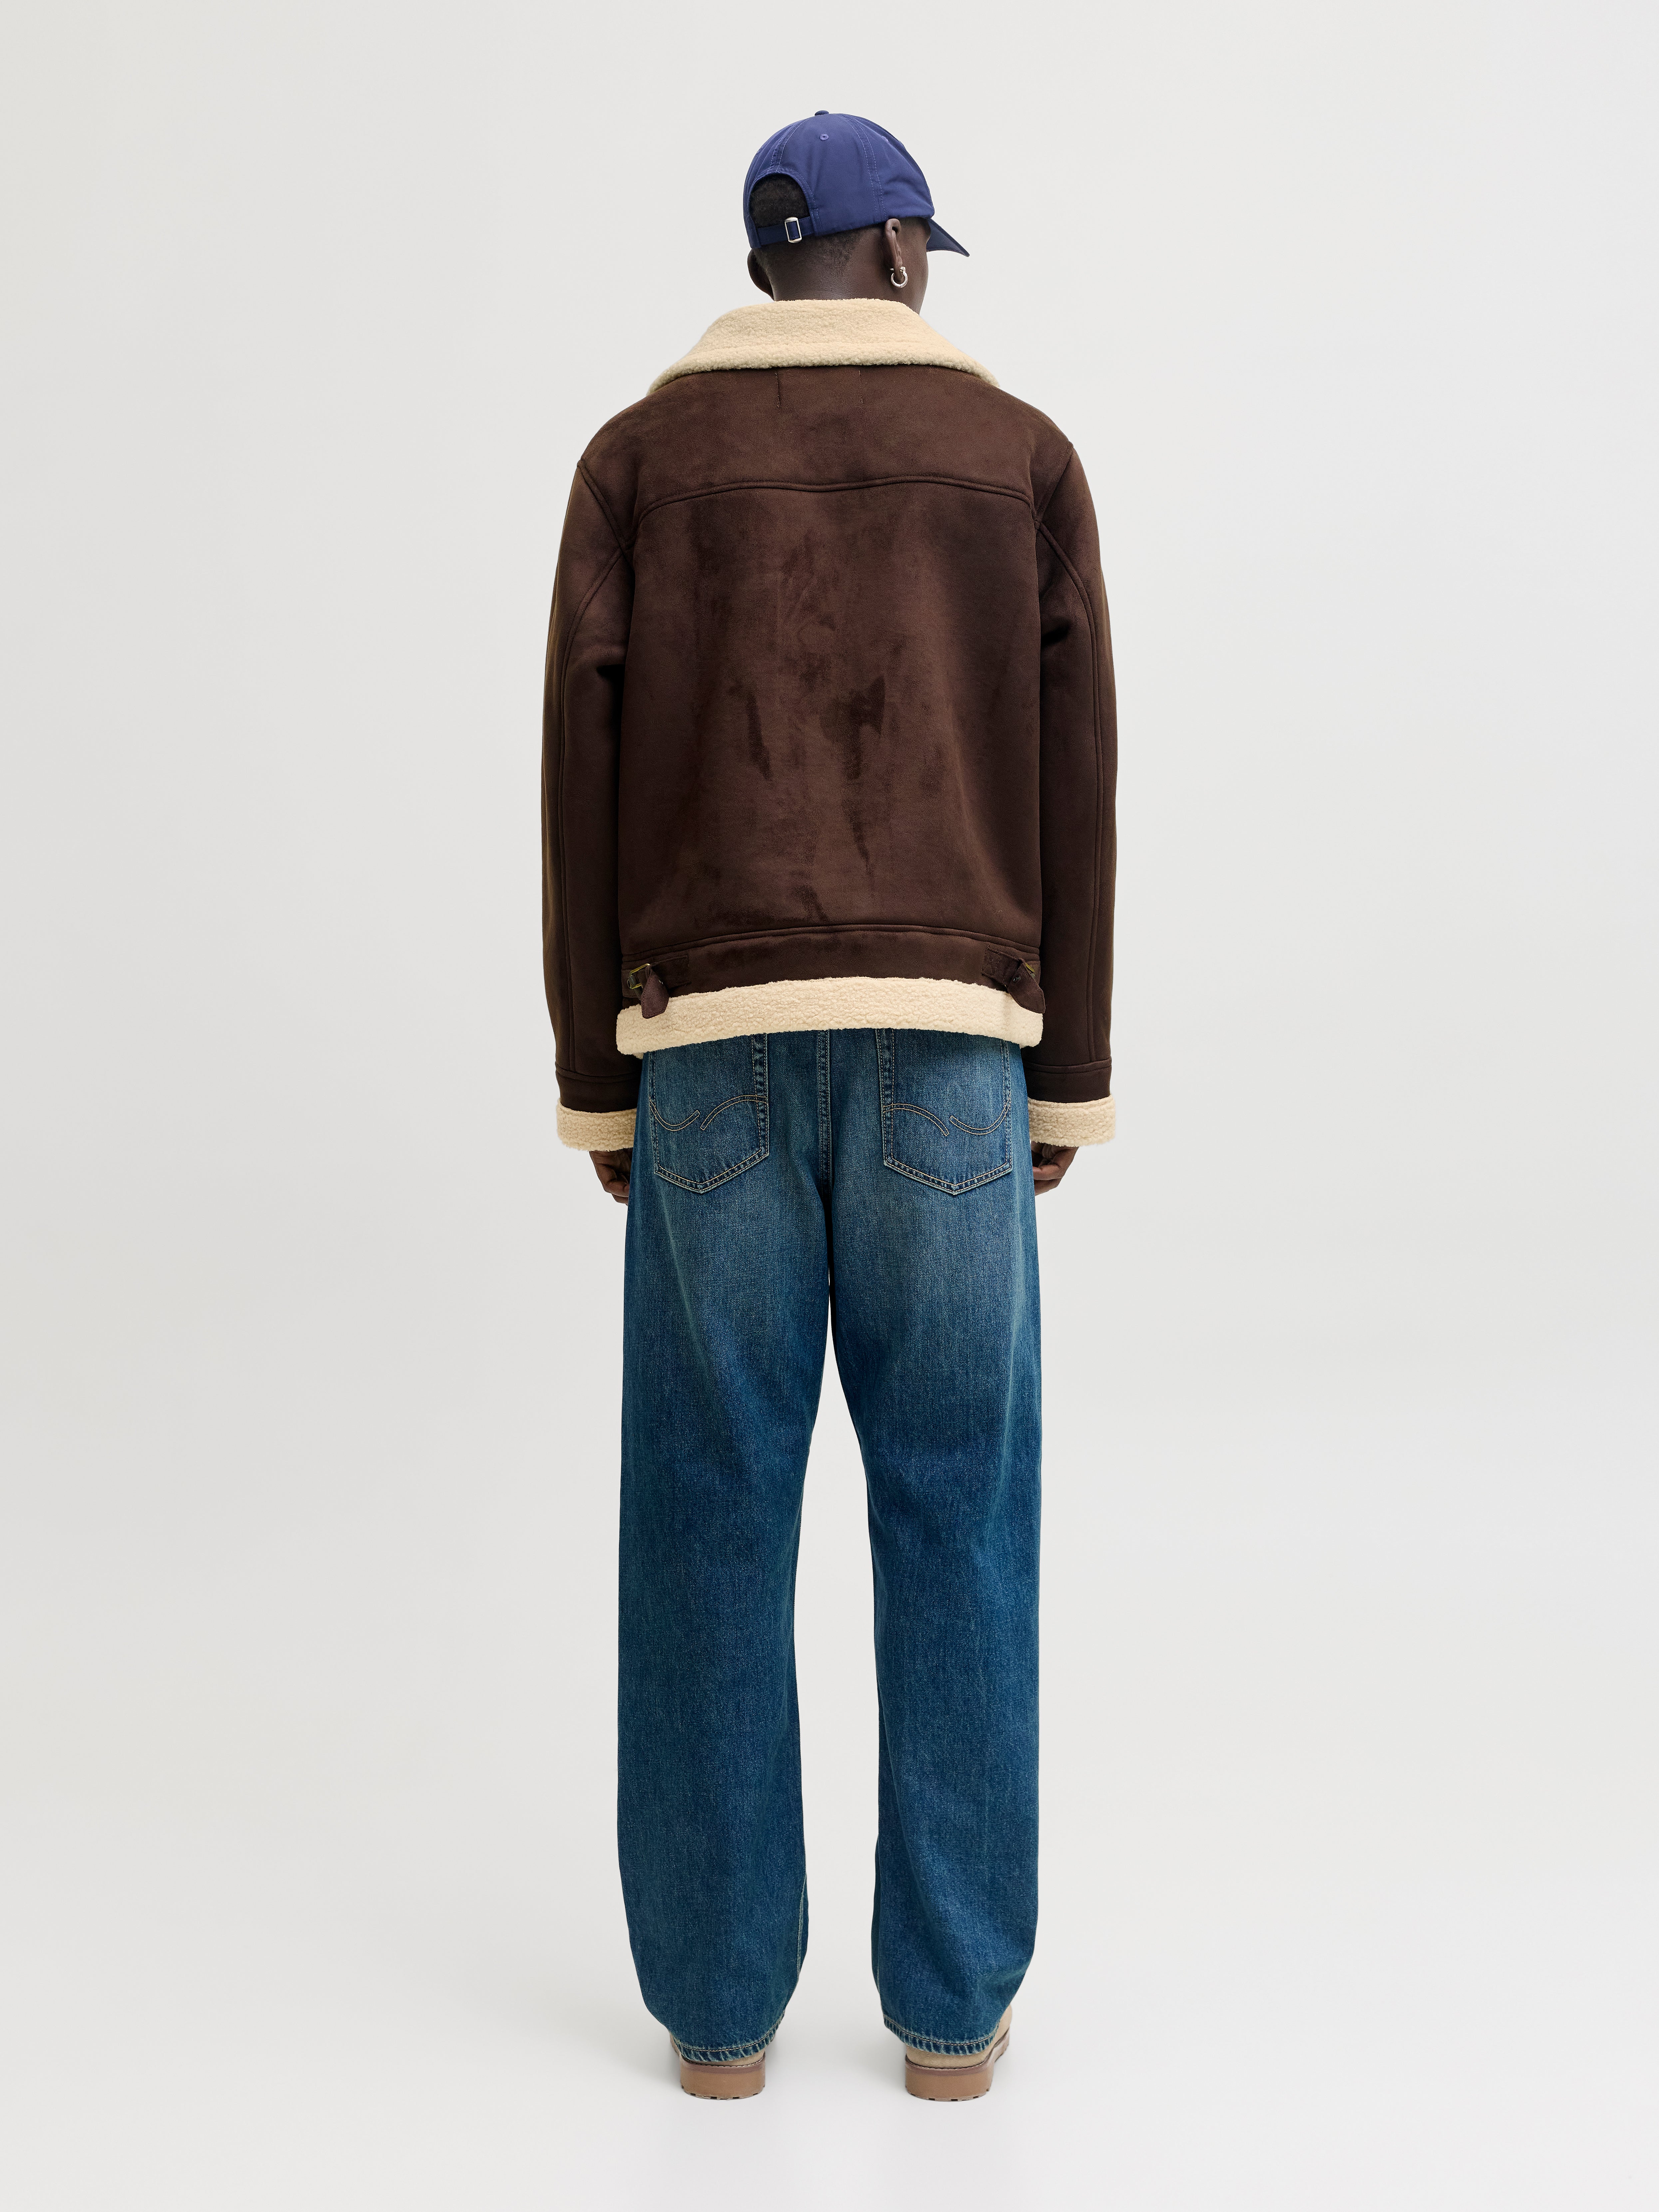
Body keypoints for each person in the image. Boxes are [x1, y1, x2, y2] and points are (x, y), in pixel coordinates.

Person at [541, 111, 1116, 2101]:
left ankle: (717, 2019)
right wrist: (1068, 1069)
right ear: (891, 257)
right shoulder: (1016, 458)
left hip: (702, 1039)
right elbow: (1076, 770)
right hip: (951, 1046)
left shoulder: (636, 462)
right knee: (958, 1508)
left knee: (707, 1510)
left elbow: (578, 777)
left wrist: (598, 1083)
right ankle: (952, 2017)